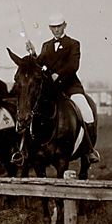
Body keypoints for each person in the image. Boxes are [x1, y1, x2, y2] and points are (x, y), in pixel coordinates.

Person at [26, 13, 100, 163]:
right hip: (51, 90)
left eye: (59, 26)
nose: (56, 30)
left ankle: (89, 150)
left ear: (65, 26)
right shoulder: (46, 46)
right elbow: (38, 64)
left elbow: (73, 65)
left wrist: (57, 75)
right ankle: (28, 149)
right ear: (49, 28)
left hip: (71, 87)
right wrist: (33, 54)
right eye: (53, 27)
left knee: (87, 112)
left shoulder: (73, 44)